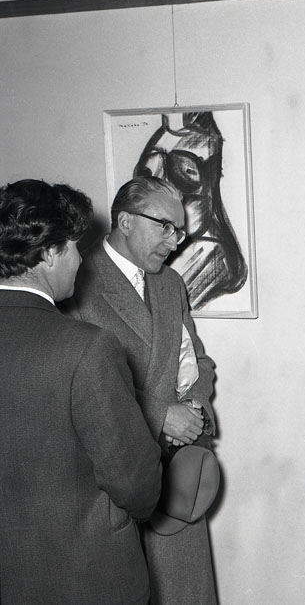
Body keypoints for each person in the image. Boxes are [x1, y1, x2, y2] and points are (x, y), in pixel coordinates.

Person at [0, 179, 162, 605]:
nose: (79, 260)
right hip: (83, 580)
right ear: (50, 254)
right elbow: (137, 485)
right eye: (74, 247)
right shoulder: (86, 347)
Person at [64, 175, 218, 605]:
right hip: (112, 482)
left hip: (175, 474)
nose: (174, 241)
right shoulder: (75, 280)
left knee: (183, 590)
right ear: (126, 221)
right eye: (164, 226)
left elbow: (198, 362)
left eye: (179, 231)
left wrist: (193, 407)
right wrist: (160, 414)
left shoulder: (170, 284)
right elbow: (74, 386)